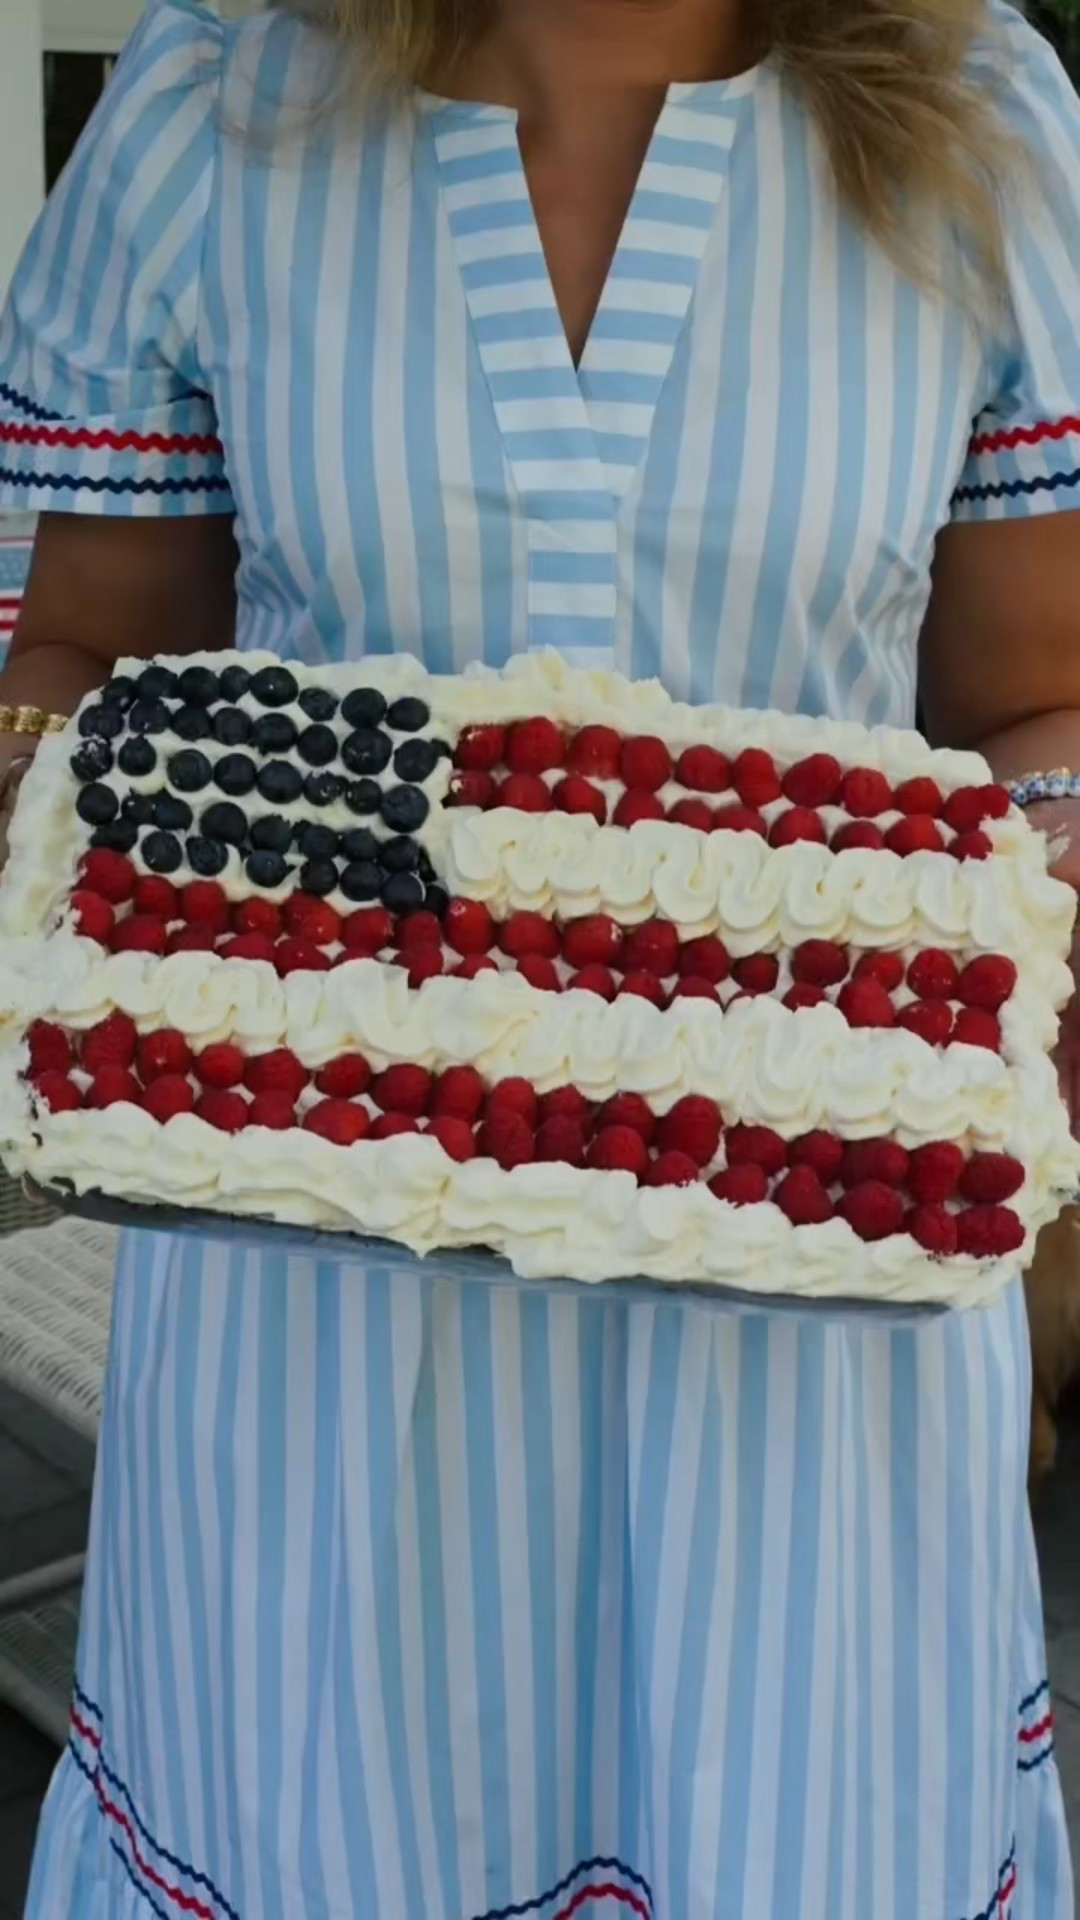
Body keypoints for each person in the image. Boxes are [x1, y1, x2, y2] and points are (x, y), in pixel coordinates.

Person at [1, 0, 1078, 1911]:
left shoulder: (982, 117)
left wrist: (992, 992)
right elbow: (94, 683)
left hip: (813, 1328)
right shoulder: (209, 105)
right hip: (316, 1312)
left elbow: (1033, 708)